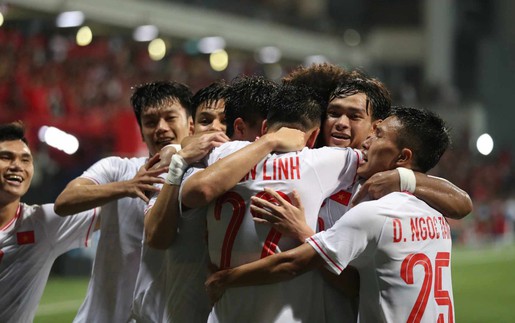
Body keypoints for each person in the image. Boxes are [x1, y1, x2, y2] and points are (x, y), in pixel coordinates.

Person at [206, 106, 456, 323]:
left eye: (378, 134)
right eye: (333, 113)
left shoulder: (375, 212)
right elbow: (357, 284)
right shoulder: (436, 213)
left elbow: (291, 264)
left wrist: (224, 278)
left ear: (403, 157)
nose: (368, 140)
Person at [180, 84, 363, 323]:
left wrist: (176, 148)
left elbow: (186, 146)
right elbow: (374, 157)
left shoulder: (225, 153)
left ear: (265, 127)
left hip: (224, 313)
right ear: (313, 136)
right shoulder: (321, 161)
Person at [54, 81, 194, 323]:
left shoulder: (201, 181)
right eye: (150, 122)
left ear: (190, 125)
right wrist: (127, 187)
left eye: (170, 118)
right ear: (141, 132)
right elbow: (65, 201)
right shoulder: (118, 168)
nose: (161, 128)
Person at [130, 80, 230, 323]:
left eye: (224, 120)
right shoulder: (168, 168)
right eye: (206, 120)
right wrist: (177, 159)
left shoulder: (250, 168)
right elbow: (156, 237)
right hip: (158, 315)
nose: (215, 128)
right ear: (193, 126)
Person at [0, 121, 99, 323]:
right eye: (6, 157)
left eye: (26, 160)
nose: (17, 165)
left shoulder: (42, 224)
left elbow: (113, 212)